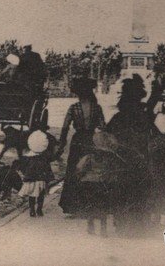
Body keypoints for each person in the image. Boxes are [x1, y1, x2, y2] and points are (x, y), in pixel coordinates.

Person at [105, 76, 156, 236]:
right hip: (141, 161)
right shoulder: (144, 117)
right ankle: (140, 224)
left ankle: (121, 224)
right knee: (141, 192)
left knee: (121, 192)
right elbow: (156, 136)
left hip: (121, 162)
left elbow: (107, 138)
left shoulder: (118, 118)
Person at [57, 77, 107, 228]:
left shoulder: (73, 108)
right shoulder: (97, 108)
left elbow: (65, 127)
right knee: (90, 171)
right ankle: (89, 206)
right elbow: (103, 126)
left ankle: (74, 206)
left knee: (74, 170)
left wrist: (61, 143)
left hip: (77, 141)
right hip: (90, 141)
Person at [16, 130, 53, 218]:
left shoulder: (27, 157)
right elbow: (48, 168)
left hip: (31, 179)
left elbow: (22, 167)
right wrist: (49, 178)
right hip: (41, 179)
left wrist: (25, 174)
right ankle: (39, 210)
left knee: (31, 196)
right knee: (41, 195)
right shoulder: (44, 157)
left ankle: (32, 210)